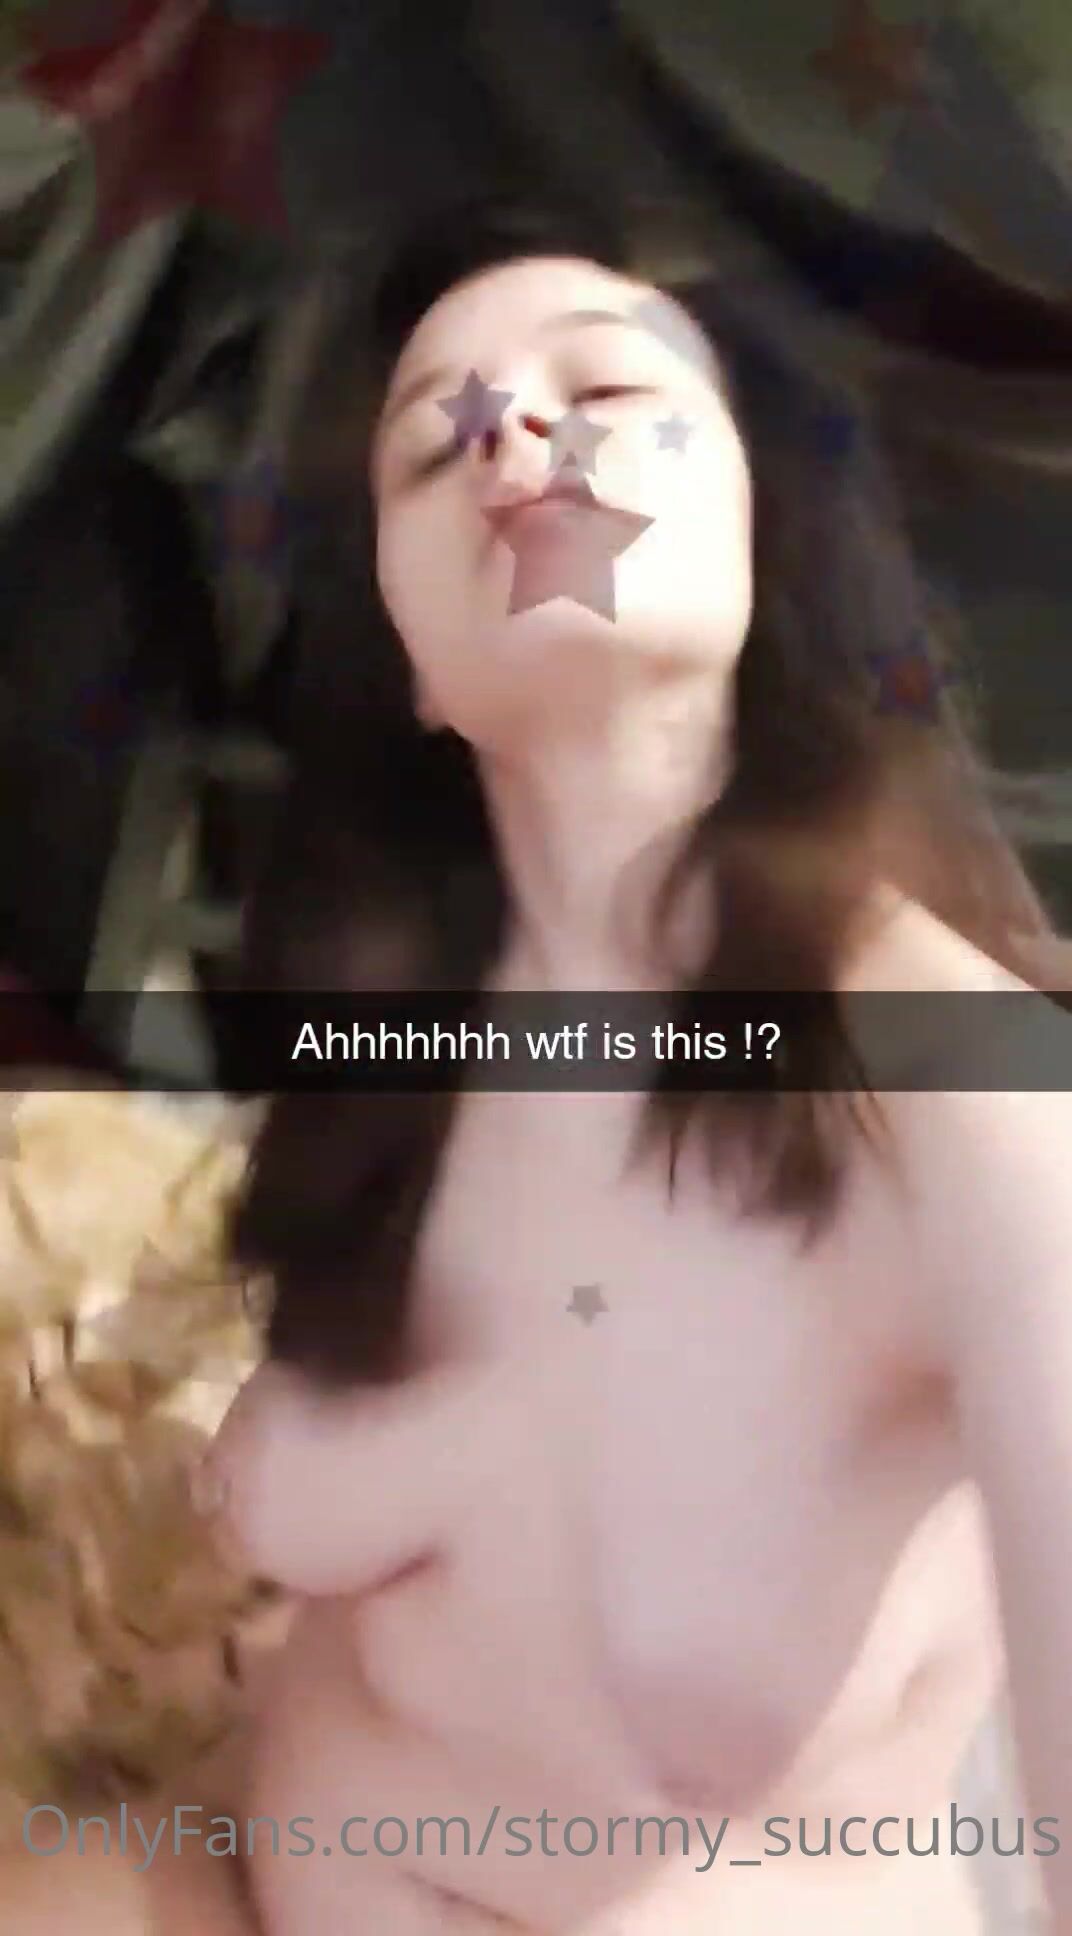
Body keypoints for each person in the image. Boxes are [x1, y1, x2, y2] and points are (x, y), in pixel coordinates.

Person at [6, 195, 1071, 1934]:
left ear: (759, 528)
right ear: (413, 663)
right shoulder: (401, 1051)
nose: (512, 437)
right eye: (438, 444)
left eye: (607, 388)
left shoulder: (969, 1090)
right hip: (240, 1870)